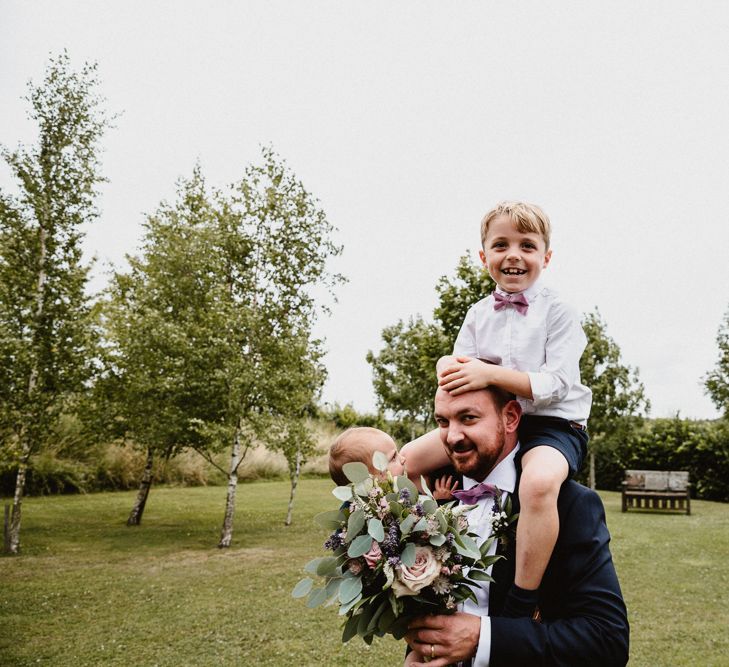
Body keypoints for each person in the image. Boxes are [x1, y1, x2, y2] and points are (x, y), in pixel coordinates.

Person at [402, 201, 591, 617]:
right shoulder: (476, 314)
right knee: (406, 461)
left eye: (527, 245)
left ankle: (523, 599)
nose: (514, 255)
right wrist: (444, 367)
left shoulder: (559, 311)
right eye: (501, 244)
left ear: (546, 256)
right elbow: (458, 369)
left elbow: (554, 383)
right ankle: (430, 545)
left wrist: (490, 376)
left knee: (538, 484)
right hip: (494, 424)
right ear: (484, 255)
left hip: (553, 424)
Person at [404, 385, 629, 666]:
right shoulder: (436, 495)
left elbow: (607, 641)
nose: (452, 436)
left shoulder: (568, 504)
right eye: (442, 421)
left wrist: (482, 637)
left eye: (469, 418)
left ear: (510, 417)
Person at [328, 426, 459, 501]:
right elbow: (422, 524)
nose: (403, 459)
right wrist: (439, 499)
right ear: (371, 479)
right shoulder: (395, 503)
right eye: (393, 457)